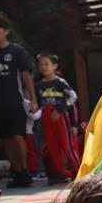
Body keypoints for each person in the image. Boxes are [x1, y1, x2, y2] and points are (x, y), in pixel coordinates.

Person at [0, 16, 38, 188]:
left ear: (6, 31)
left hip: (14, 102)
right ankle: (17, 173)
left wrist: (33, 98)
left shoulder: (16, 51)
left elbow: (26, 75)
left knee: (17, 136)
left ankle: (25, 171)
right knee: (5, 139)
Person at [35, 52, 80, 185]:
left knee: (67, 146)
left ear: (54, 66)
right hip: (46, 117)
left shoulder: (60, 82)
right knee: (52, 146)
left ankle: (77, 171)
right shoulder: (38, 85)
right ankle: (59, 173)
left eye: (46, 64)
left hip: (60, 116)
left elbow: (73, 96)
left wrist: (60, 110)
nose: (43, 67)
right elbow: (38, 103)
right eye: (41, 65)